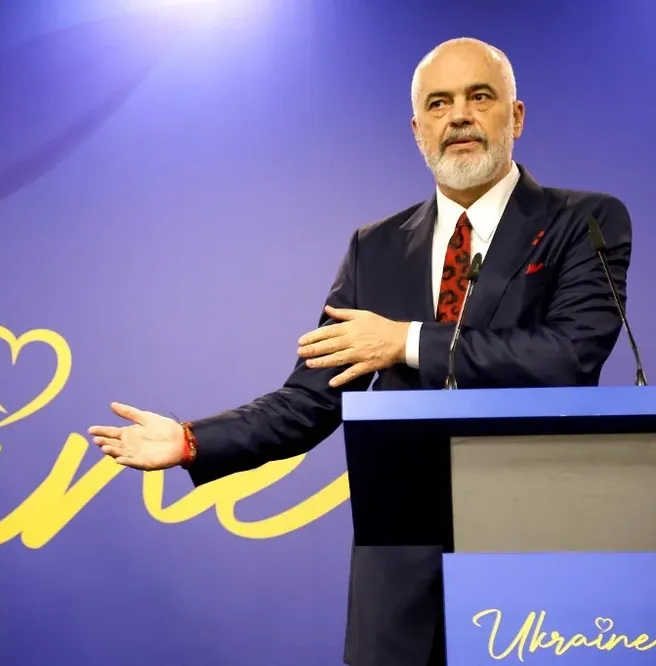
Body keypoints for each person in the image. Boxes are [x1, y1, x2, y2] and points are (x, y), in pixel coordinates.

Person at [88, 37, 633, 666]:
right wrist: (191, 440)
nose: (459, 115)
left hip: (535, 557)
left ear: (515, 116)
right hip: (399, 576)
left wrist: (404, 341)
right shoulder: (374, 249)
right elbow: (308, 402)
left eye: (479, 97)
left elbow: (567, 356)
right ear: (418, 130)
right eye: (438, 103)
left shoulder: (583, 222)